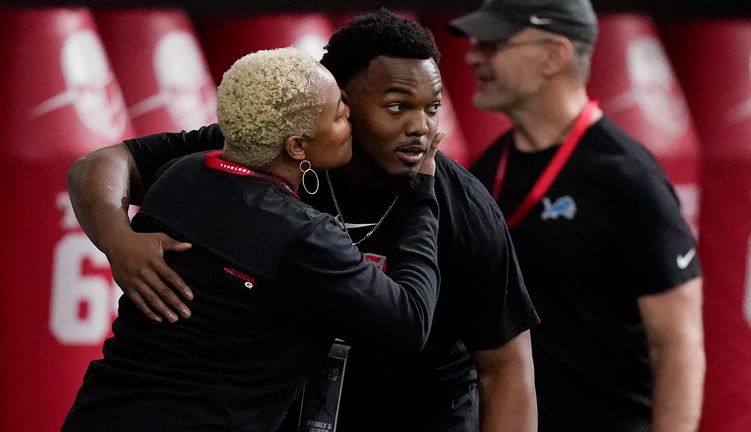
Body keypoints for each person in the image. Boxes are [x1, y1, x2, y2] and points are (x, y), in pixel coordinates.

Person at [66, 10, 540, 432]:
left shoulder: (463, 204)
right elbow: (101, 164)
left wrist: (421, 198)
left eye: (432, 108)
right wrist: (116, 238)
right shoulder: (259, 150)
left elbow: (506, 367)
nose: (423, 127)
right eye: (397, 107)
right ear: (336, 104)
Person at [449, 0, 705, 431]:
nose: (474, 55)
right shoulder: (486, 174)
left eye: (493, 43)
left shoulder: (627, 178)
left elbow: (678, 345)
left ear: (555, 55)